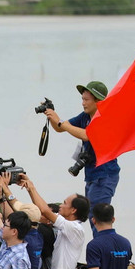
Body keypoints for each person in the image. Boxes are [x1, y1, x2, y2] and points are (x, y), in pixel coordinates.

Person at [45, 80, 120, 211]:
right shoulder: (85, 116)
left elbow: (86, 135)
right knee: (91, 214)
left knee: (96, 215)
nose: (83, 103)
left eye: (86, 100)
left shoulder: (105, 117)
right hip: (91, 174)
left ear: (98, 101)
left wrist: (61, 122)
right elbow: (60, 128)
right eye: (82, 99)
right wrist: (51, 114)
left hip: (105, 175)